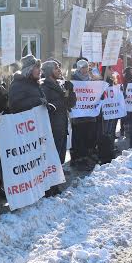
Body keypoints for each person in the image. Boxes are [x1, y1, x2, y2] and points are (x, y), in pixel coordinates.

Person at [41, 60, 76, 193]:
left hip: (61, 125)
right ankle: (51, 186)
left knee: (61, 155)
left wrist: (70, 91)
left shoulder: (60, 84)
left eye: (59, 67)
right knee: (53, 157)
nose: (59, 70)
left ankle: (56, 182)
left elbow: (70, 104)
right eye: (56, 68)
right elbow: (48, 108)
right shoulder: (44, 87)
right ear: (50, 71)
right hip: (52, 127)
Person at [70, 59, 97, 170]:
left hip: (89, 114)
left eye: (86, 67)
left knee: (87, 136)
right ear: (79, 68)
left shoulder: (91, 79)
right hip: (78, 115)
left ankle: (85, 157)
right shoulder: (73, 80)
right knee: (77, 137)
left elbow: (95, 93)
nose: (85, 70)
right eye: (83, 67)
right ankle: (76, 159)